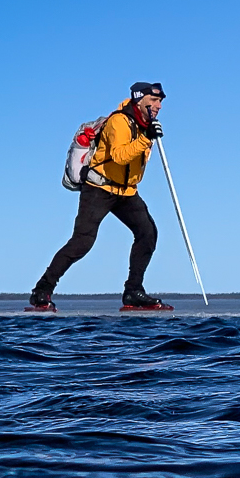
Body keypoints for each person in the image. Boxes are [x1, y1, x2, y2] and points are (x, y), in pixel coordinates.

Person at [30, 82, 171, 311]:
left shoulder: (146, 125)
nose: (159, 106)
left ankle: (133, 291)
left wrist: (147, 136)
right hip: (99, 188)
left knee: (147, 233)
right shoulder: (119, 121)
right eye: (154, 101)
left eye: (161, 102)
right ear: (139, 99)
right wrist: (146, 138)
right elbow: (118, 156)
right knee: (82, 242)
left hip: (126, 192)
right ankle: (42, 291)